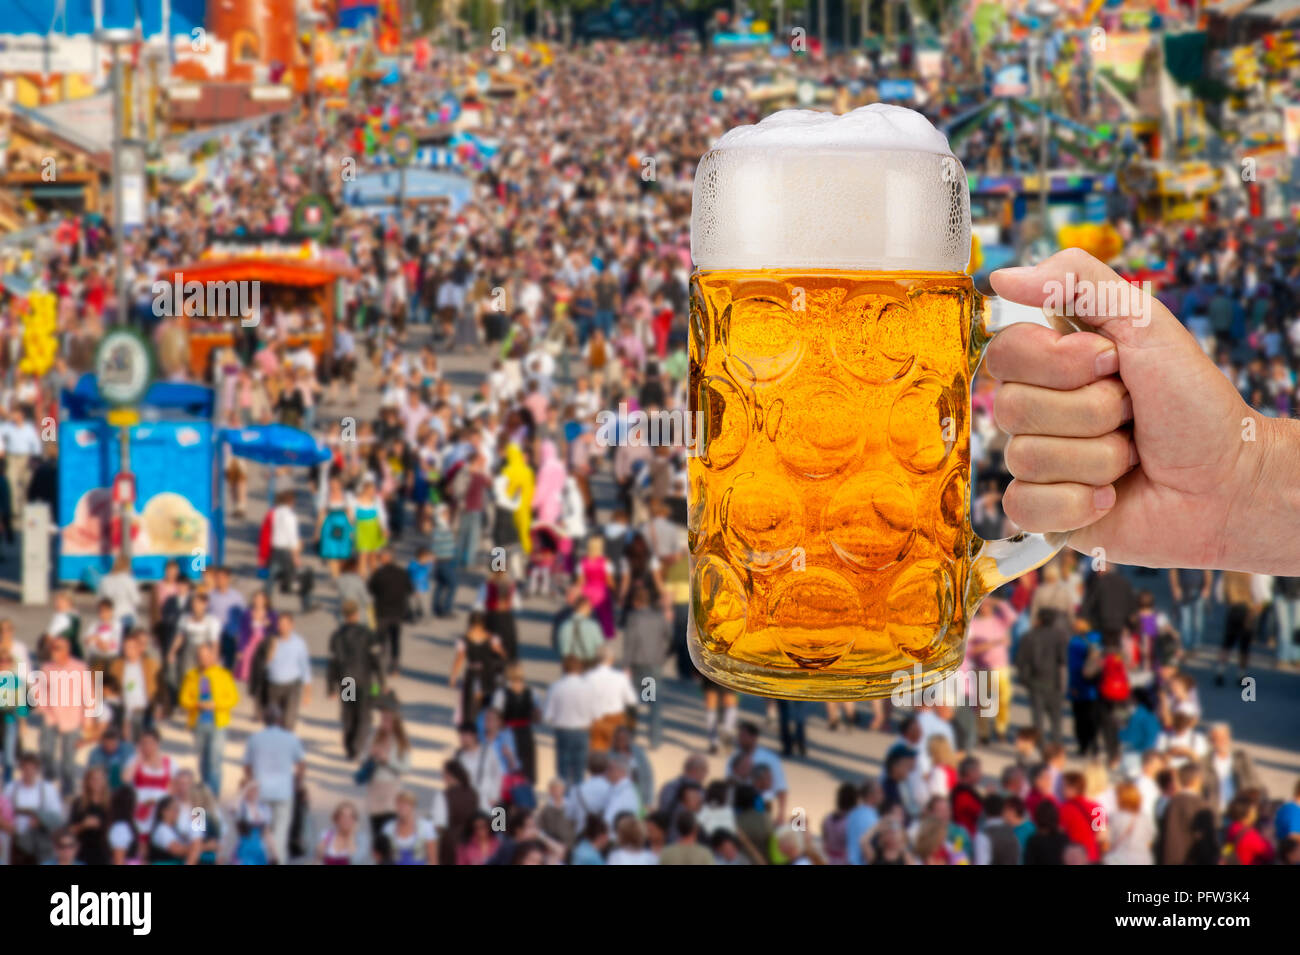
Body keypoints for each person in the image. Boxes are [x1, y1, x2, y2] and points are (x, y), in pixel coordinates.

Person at [242, 704, 306, 864]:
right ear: (279, 720)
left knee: (261, 831)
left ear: (264, 720)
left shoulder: (255, 738)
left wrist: (251, 782)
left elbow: (247, 765)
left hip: (261, 791)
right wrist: (298, 782)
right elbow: (301, 764)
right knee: (280, 833)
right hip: (283, 791)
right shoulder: (290, 738)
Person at [32, 635, 93, 796]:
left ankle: (68, 791)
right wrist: (43, 709)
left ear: (67, 650)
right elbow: (39, 691)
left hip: (72, 719)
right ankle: (49, 784)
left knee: (68, 761)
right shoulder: (46, 667)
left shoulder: (79, 667)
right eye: (53, 647)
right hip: (51, 717)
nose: (54, 651)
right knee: (45, 752)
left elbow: (89, 694)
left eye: (58, 648)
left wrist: (88, 720)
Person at [177, 643, 239, 796]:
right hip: (198, 722)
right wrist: (195, 704)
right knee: (203, 760)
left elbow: (233, 698)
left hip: (218, 723)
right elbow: (183, 698)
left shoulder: (223, 675)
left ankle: (213, 795)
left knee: (215, 760)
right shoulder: (191, 675)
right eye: (200, 656)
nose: (203, 659)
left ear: (213, 656)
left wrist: (215, 705)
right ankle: (205, 792)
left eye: (206, 656)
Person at [328, 599, 387, 759]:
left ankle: (349, 745)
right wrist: (382, 682)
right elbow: (376, 660)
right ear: (356, 614)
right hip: (364, 679)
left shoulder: (337, 636)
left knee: (349, 713)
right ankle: (357, 746)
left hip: (347, 680)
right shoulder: (367, 633)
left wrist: (331, 687)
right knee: (363, 714)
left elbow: (333, 663)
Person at [1014, 607, 1069, 745]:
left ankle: (1040, 747)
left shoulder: (1028, 636)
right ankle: (1056, 746)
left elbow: (1019, 660)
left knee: (1037, 718)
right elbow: (1063, 659)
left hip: (1035, 681)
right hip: (1053, 681)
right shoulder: (1060, 637)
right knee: (1056, 719)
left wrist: (1024, 678)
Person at [359, 705, 412, 840]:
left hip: (391, 788)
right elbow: (362, 759)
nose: (384, 723)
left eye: (388, 720)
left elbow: (406, 767)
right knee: (376, 828)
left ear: (395, 722)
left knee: (389, 828)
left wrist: (388, 760)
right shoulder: (374, 738)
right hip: (375, 787)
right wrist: (370, 755)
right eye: (382, 719)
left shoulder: (400, 742)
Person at [255, 612, 312, 731]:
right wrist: (271, 650)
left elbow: (305, 668)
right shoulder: (271, 640)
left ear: (292, 625)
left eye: (285, 624)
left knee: (288, 719)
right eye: (280, 624)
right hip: (273, 685)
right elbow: (262, 665)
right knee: (272, 719)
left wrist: (307, 693)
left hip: (291, 685)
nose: (282, 627)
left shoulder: (299, 643)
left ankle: (286, 742)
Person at [368, 548, 413, 674]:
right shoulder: (402, 573)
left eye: (380, 557)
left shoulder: (379, 573)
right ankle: (395, 666)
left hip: (382, 611)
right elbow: (410, 589)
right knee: (395, 640)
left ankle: (379, 665)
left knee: (381, 640)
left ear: (386, 558)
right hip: (398, 612)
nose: (379, 559)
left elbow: (370, 589)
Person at [1157, 763, 1209, 865]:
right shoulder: (1200, 805)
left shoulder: (1171, 803)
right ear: (1196, 781)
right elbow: (1205, 840)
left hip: (1170, 857)